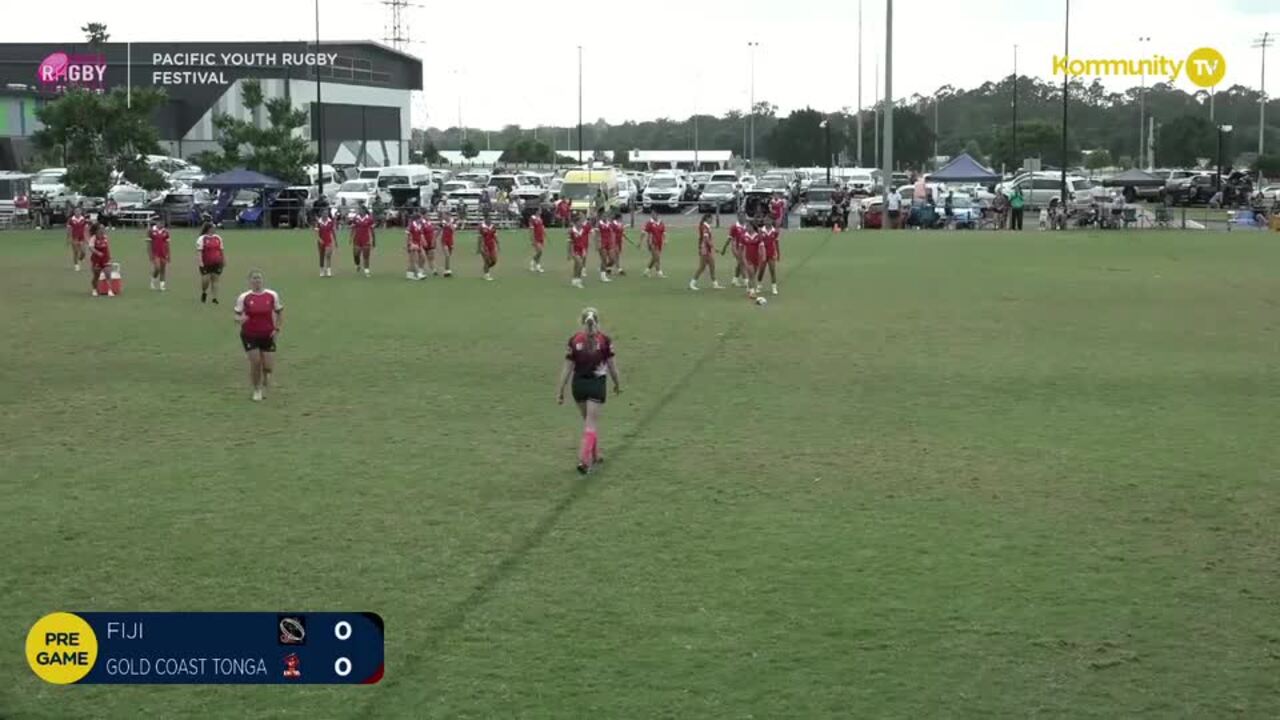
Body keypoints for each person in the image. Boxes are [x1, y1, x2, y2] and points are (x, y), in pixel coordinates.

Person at [556, 307, 621, 475]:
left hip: (578, 387)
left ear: (581, 322)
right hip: (596, 386)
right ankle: (584, 460)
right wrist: (617, 384)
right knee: (591, 424)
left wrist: (561, 390)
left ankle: (595, 454)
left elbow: (567, 368)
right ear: (597, 322)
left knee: (588, 422)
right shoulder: (605, 340)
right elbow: (612, 367)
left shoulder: (574, 340)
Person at [233, 269, 284, 402]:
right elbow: (236, 315)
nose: (257, 280)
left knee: (268, 367)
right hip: (250, 335)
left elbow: (279, 312)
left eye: (259, 278)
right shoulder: (244, 297)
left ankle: (265, 379)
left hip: (268, 334)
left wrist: (277, 329)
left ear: (262, 280)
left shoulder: (272, 295)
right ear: (250, 281)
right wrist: (240, 319)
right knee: (255, 362)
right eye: (254, 278)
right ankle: (257, 389)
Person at [689, 213, 722, 291]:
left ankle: (715, 284)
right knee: (703, 267)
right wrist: (713, 247)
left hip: (706, 249)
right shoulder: (705, 227)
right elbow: (706, 239)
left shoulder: (705, 226)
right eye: (711, 218)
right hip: (705, 249)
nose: (712, 220)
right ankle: (692, 283)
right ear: (707, 218)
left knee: (710, 266)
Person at [196, 221, 225, 304]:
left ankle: (214, 298)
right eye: (212, 228)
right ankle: (204, 292)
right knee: (206, 281)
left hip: (217, 262)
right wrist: (200, 261)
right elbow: (199, 251)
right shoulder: (202, 238)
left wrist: (223, 260)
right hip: (206, 263)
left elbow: (221, 250)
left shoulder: (218, 238)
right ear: (208, 229)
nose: (214, 229)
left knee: (215, 280)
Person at [720, 214, 748, 286]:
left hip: (743, 247)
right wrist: (724, 248)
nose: (742, 218)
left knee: (739, 263)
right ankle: (746, 281)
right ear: (738, 217)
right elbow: (729, 238)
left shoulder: (746, 226)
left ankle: (735, 280)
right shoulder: (734, 227)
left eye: (744, 216)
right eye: (741, 216)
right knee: (742, 263)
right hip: (735, 247)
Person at [740, 220, 765, 298]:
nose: (747, 228)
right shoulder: (743, 236)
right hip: (748, 258)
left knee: (753, 274)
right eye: (746, 226)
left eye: (748, 226)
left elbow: (762, 247)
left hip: (756, 258)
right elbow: (741, 249)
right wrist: (743, 260)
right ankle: (752, 292)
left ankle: (750, 287)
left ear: (752, 227)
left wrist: (763, 255)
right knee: (751, 275)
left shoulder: (758, 236)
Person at [350, 204, 376, 276]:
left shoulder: (369, 219)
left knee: (366, 255)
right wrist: (350, 237)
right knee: (356, 254)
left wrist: (374, 240)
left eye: (361, 209)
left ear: (364, 210)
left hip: (366, 239)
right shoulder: (355, 218)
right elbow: (353, 228)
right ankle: (357, 264)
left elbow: (372, 230)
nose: (359, 211)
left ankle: (367, 270)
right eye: (359, 209)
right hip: (357, 239)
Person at [757, 215, 781, 295]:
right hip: (763, 254)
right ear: (764, 221)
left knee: (772, 270)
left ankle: (774, 288)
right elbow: (759, 243)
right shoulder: (761, 231)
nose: (767, 222)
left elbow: (776, 243)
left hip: (771, 253)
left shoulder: (775, 232)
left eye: (769, 220)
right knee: (761, 271)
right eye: (766, 220)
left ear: (772, 221)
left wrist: (778, 253)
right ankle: (759, 286)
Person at [146, 216, 171, 291]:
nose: (162, 224)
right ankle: (153, 281)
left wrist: (169, 255)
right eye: (161, 222)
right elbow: (149, 244)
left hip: (163, 253)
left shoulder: (166, 232)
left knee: (163, 269)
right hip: (155, 253)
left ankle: (162, 285)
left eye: (163, 223)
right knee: (157, 268)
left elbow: (167, 244)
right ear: (157, 222)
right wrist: (150, 254)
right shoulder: (151, 231)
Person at [88, 222, 112, 296]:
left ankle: (110, 290)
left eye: (103, 228)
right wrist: (97, 252)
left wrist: (109, 256)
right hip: (96, 259)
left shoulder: (105, 237)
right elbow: (91, 248)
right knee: (96, 276)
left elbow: (107, 247)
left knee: (108, 273)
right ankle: (94, 289)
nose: (102, 230)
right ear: (96, 230)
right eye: (101, 228)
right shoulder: (93, 238)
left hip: (105, 258)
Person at [567, 213, 591, 289]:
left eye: (581, 221)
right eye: (580, 221)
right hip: (574, 250)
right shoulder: (572, 231)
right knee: (580, 264)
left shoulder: (583, 229)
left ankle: (575, 279)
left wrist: (584, 249)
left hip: (582, 249)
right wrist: (569, 253)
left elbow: (584, 240)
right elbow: (570, 242)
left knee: (577, 265)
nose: (581, 223)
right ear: (576, 222)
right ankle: (578, 280)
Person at [642, 209, 666, 278]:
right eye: (651, 214)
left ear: (657, 214)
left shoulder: (661, 222)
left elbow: (663, 232)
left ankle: (646, 271)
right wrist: (641, 242)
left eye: (653, 214)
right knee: (657, 257)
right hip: (652, 242)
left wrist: (665, 239)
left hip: (659, 242)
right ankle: (659, 272)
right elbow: (644, 232)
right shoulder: (649, 223)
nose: (652, 215)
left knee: (654, 258)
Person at [476, 214, 499, 281]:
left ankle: (485, 269)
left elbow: (495, 236)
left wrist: (498, 244)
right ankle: (487, 275)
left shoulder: (493, 226)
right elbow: (479, 238)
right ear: (485, 219)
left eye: (490, 219)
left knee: (494, 261)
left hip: (492, 245)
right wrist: (479, 248)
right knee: (487, 260)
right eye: (488, 219)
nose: (489, 220)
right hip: (484, 245)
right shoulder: (481, 227)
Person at [405, 210, 426, 280]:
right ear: (417, 219)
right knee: (414, 259)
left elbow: (421, 234)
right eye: (421, 218)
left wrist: (423, 241)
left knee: (423, 257)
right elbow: (408, 235)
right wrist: (410, 244)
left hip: (419, 243)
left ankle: (410, 273)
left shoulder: (420, 225)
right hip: (413, 243)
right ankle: (418, 274)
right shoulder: (411, 225)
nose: (422, 219)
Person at [316, 210, 338, 277]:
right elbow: (316, 233)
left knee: (328, 255)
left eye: (326, 214)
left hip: (328, 241)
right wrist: (319, 239)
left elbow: (333, 232)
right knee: (321, 256)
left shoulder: (330, 222)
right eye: (324, 213)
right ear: (321, 214)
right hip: (321, 241)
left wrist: (335, 241)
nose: (325, 215)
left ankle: (328, 270)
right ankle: (321, 270)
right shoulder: (318, 222)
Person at [66, 207, 89, 271]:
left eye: (79, 211)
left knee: (83, 252)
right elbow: (69, 229)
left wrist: (87, 238)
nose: (78, 212)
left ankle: (80, 259)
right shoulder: (71, 220)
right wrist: (68, 238)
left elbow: (86, 229)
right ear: (74, 212)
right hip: (74, 238)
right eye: (76, 211)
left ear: (81, 212)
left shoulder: (83, 219)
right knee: (75, 252)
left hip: (82, 238)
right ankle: (76, 265)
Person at [595, 209, 614, 283]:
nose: (605, 216)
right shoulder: (599, 223)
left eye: (606, 215)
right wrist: (597, 244)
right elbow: (596, 235)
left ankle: (602, 267)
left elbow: (611, 233)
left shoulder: (609, 223)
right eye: (603, 215)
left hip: (609, 243)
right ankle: (603, 277)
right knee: (604, 259)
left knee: (612, 259)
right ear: (601, 216)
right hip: (602, 243)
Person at [528, 209, 547, 273]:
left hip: (541, 237)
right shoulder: (532, 218)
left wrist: (544, 234)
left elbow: (542, 227)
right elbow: (531, 229)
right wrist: (532, 239)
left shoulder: (540, 218)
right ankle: (534, 263)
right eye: (540, 210)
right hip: (536, 237)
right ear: (536, 211)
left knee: (539, 252)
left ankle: (536, 265)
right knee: (539, 251)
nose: (541, 211)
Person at [438, 210, 456, 277]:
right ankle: (447, 270)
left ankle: (446, 268)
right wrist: (434, 239)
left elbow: (454, 230)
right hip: (444, 240)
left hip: (450, 240)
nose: (443, 216)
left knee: (449, 256)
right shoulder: (443, 222)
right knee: (447, 255)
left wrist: (450, 224)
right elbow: (439, 230)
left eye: (444, 215)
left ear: (448, 215)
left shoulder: (453, 221)